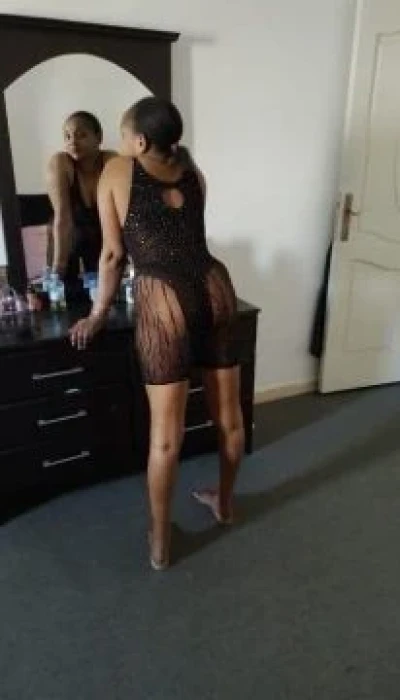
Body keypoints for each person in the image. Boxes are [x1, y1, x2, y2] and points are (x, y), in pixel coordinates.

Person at [69, 97, 244, 570]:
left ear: (141, 141)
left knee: (165, 438)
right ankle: (225, 504)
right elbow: (187, 237)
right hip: (215, 287)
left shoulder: (117, 171)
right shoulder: (193, 172)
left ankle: (161, 544)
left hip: (163, 297)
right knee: (230, 420)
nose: (121, 142)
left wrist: (98, 313)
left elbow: (112, 256)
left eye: (124, 134)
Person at [46, 111, 115, 299]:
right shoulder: (60, 163)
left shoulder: (111, 162)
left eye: (81, 135)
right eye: (67, 136)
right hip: (66, 238)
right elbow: (63, 218)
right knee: (64, 296)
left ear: (99, 137)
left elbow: (121, 217)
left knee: (106, 294)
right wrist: (57, 271)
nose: (73, 142)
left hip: (101, 237)